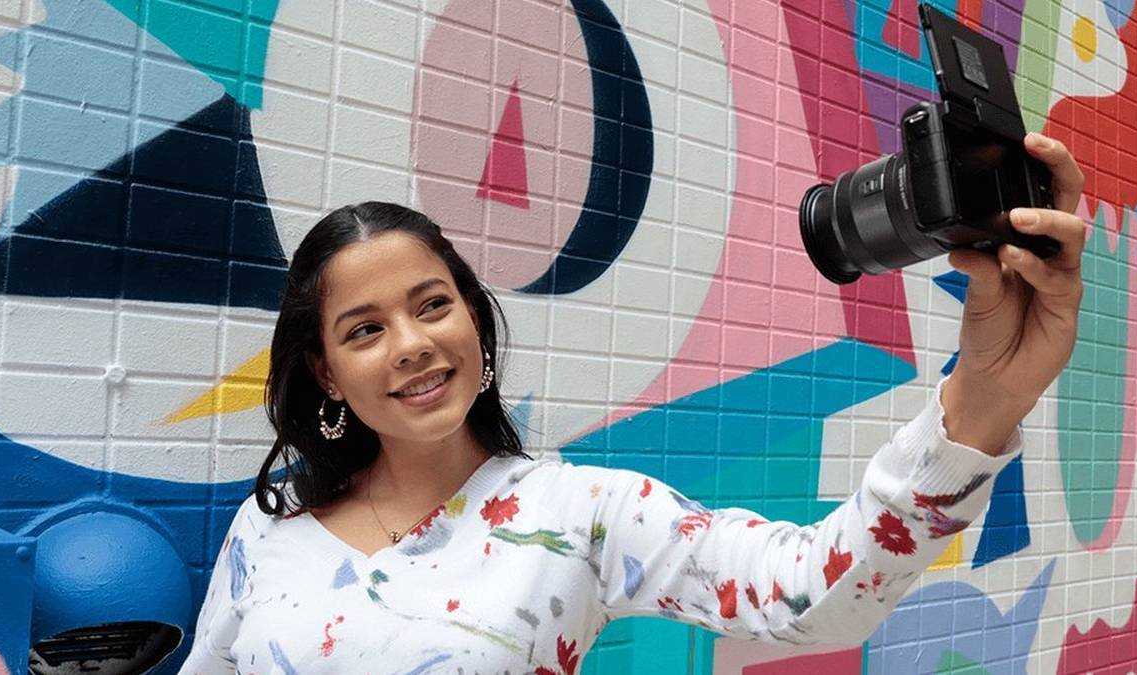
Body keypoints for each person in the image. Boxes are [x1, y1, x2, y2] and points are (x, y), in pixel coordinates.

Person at [178, 132, 1086, 673]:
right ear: (327, 372)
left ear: (474, 322)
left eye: (432, 305)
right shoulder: (270, 526)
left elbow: (815, 593)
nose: (412, 342)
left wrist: (984, 400)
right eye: (366, 329)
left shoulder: (579, 513)